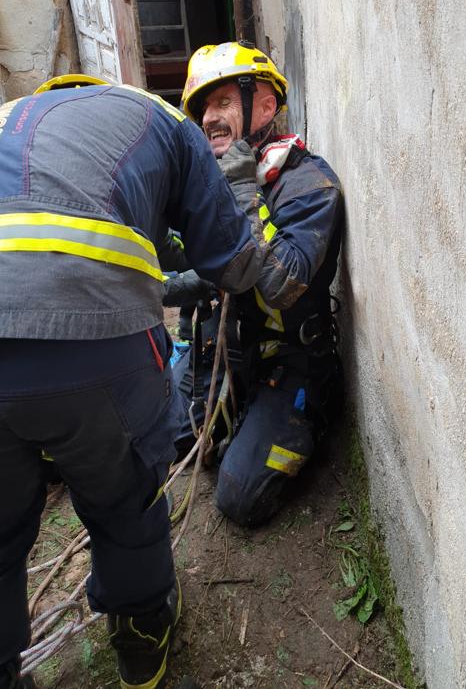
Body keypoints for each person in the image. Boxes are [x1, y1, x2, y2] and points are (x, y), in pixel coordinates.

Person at [0, 73, 270, 689]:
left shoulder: (11, 116)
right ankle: (142, 640)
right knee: (124, 499)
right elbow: (232, 261)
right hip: (90, 339)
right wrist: (248, 210)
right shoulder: (159, 117)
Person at [162, 42, 344, 527]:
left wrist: (243, 191)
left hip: (287, 364)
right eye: (204, 110)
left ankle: (312, 416)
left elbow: (280, 285)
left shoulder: (309, 185)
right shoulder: (216, 184)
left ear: (264, 105)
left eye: (222, 103)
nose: (209, 119)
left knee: (238, 499)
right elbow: (203, 266)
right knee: (170, 434)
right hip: (227, 352)